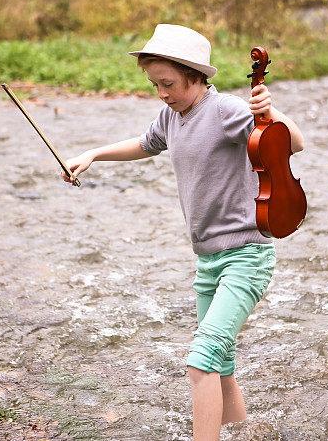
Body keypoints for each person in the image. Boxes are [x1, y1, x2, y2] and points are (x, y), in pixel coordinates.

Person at [61, 24, 304, 440]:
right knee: (220, 364)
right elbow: (144, 143)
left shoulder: (225, 110)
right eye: (154, 84)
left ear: (195, 75)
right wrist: (94, 154)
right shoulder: (171, 117)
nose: (162, 92)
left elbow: (292, 143)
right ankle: (244, 434)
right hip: (208, 261)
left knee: (200, 360)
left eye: (168, 83)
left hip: (247, 255)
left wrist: (272, 112)